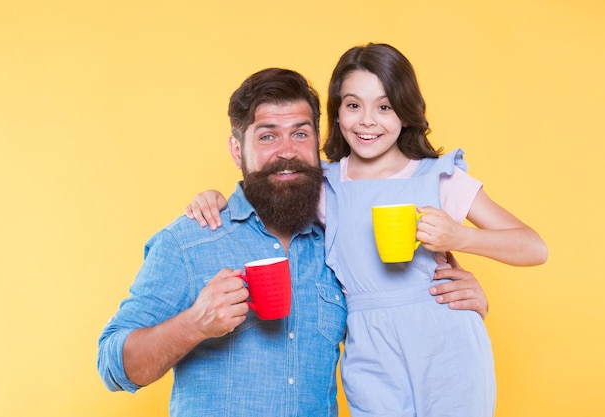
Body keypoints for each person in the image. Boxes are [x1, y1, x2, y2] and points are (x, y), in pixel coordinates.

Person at [98, 66, 491, 416]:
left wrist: (459, 298)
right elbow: (113, 366)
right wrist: (194, 325)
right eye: (267, 136)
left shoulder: (336, 243)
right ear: (238, 150)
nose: (287, 151)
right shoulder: (190, 242)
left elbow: (389, 305)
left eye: (300, 134)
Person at [186, 43, 548, 416]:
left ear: (406, 113)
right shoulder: (325, 185)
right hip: (368, 349)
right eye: (353, 105)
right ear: (337, 112)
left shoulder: (437, 177)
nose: (367, 121)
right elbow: (268, 195)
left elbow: (534, 247)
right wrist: (214, 198)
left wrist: (461, 238)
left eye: (385, 106)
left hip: (445, 339)